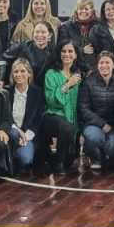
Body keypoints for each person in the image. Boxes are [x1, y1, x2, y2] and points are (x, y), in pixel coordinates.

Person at [36, 40, 83, 175]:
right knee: (67, 127)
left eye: (70, 51)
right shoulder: (51, 73)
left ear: (75, 55)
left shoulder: (79, 75)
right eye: (63, 51)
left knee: (71, 160)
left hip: (71, 117)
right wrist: (68, 84)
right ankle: (58, 164)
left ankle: (58, 159)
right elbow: (51, 101)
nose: (66, 54)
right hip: (52, 116)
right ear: (58, 53)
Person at [79, 52, 114, 170]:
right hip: (94, 124)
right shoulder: (88, 82)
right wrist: (102, 124)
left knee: (112, 149)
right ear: (97, 65)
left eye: (107, 62)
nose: (104, 65)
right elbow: (84, 108)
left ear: (113, 65)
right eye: (101, 62)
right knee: (94, 137)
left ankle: (110, 155)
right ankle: (95, 156)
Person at [5, 58, 45, 174]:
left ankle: (14, 157)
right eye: (16, 72)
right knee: (12, 133)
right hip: (10, 132)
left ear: (29, 73)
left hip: (28, 135)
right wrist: (17, 131)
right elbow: (5, 117)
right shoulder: (6, 92)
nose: (19, 74)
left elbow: (38, 118)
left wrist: (26, 137)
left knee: (25, 159)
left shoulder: (37, 93)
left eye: (22, 71)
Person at [58, 0, 114, 73]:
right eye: (80, 9)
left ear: (92, 11)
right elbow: (61, 47)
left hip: (95, 69)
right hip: (73, 68)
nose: (83, 11)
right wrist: (81, 50)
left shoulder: (100, 26)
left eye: (86, 9)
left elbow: (108, 47)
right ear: (76, 10)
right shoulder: (66, 26)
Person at [0, 21, 55, 92]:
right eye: (37, 32)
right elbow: (2, 58)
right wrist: (1, 79)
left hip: (43, 92)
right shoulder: (22, 46)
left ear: (50, 35)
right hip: (22, 90)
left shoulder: (54, 52)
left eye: (43, 32)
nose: (39, 35)